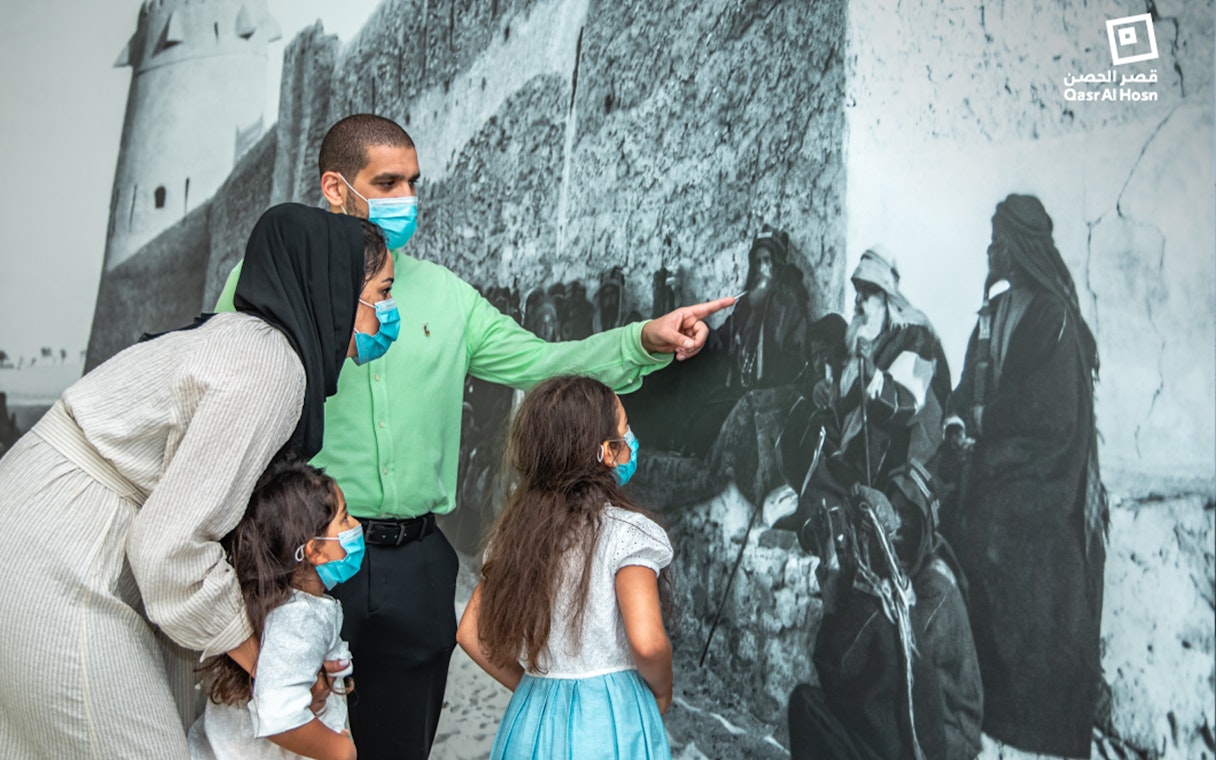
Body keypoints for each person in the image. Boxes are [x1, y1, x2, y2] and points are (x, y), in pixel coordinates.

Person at [214, 113, 731, 759]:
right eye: (388, 182)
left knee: (402, 745)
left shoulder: (449, 297)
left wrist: (641, 340)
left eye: (413, 182)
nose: (407, 199)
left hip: (415, 563)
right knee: (295, 734)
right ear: (336, 187)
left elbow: (542, 363)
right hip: (308, 558)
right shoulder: (269, 281)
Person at [0, 204, 393, 758]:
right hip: (62, 558)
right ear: (334, 288)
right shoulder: (270, 365)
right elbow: (170, 550)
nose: (387, 311)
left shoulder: (243, 341)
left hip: (43, 528)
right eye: (381, 292)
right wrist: (275, 669)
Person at [778, 251, 982, 760]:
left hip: (907, 476)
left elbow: (909, 402)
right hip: (866, 475)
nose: (860, 302)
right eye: (856, 294)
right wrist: (836, 394)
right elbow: (850, 422)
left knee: (880, 547)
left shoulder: (915, 336)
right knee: (823, 491)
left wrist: (870, 378)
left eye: (868, 294)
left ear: (888, 298)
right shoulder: (863, 343)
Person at [948, 194, 1107, 758]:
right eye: (991, 239)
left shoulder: (1053, 318)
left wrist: (985, 439)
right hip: (994, 463)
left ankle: (1031, 728)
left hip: (1044, 480)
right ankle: (968, 703)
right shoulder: (991, 318)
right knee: (948, 523)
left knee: (996, 531)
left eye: (999, 240)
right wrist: (956, 426)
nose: (991, 250)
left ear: (1018, 248)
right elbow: (965, 392)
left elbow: (1053, 417)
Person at [456, 375, 673, 759]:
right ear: (606, 452)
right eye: (625, 431)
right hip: (612, 724)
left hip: (531, 721)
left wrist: (531, 687)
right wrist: (662, 688)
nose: (631, 441)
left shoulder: (517, 536)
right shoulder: (628, 536)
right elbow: (647, 642)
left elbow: (470, 634)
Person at [189, 455, 361, 760]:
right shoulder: (298, 620)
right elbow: (280, 715)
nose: (356, 525)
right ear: (315, 550)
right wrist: (340, 751)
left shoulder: (269, 600)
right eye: (345, 519)